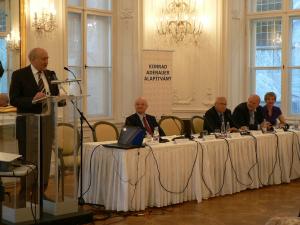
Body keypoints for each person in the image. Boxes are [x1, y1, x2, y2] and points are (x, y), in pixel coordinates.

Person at [9, 48, 60, 202]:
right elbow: (14, 99)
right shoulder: (19, 75)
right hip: (27, 125)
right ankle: (25, 194)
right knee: (28, 161)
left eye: (47, 58)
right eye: (43, 59)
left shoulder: (50, 74)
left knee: (44, 160)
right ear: (33, 59)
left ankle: (40, 193)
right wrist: (33, 99)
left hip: (46, 124)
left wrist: (61, 99)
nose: (46, 61)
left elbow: (55, 97)